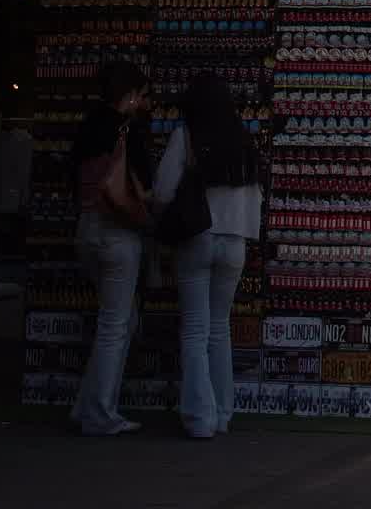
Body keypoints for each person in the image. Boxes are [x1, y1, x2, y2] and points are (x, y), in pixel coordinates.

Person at [151, 74, 262, 439]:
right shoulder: (245, 141)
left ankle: (200, 417)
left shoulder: (187, 136)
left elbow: (163, 190)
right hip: (235, 243)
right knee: (220, 328)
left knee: (196, 329)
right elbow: (256, 198)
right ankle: (223, 414)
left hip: (197, 237)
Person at [69, 60, 154, 436]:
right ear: (131, 94)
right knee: (115, 325)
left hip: (86, 228)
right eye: (143, 95)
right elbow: (146, 185)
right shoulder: (129, 131)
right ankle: (100, 413)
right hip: (120, 231)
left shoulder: (87, 125)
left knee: (116, 320)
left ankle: (87, 406)